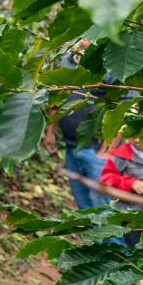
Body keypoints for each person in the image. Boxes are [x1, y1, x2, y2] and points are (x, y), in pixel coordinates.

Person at [42, 41, 111, 209]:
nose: (83, 40)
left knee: (101, 205)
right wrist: (50, 132)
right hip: (71, 146)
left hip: (97, 149)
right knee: (82, 202)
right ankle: (91, 235)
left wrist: (106, 151)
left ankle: (110, 236)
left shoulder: (108, 66)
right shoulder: (64, 62)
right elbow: (56, 101)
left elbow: (121, 108)